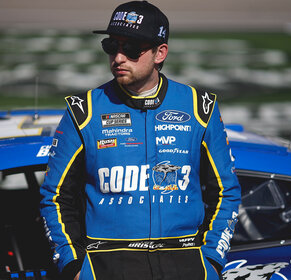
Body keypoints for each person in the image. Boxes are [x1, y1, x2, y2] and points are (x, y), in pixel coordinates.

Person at [40, 1, 241, 279]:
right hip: (107, 266)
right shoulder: (83, 111)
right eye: (112, 46)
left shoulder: (200, 109)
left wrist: (210, 260)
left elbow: (226, 192)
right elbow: (55, 197)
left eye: (132, 48)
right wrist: (74, 267)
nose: (119, 57)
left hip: (186, 265)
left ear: (160, 53)